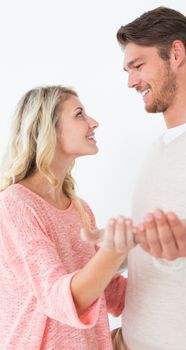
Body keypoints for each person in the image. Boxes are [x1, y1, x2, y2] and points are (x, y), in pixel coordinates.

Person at [114, 6, 186, 350]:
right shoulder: (158, 149)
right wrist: (111, 247)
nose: (130, 81)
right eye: (127, 70)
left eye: (138, 66)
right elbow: (150, 243)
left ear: (176, 54)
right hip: (129, 340)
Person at [0, 86, 137, 350]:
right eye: (79, 114)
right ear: (46, 129)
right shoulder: (15, 204)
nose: (93, 122)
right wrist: (114, 251)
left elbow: (110, 291)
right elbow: (61, 298)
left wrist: (167, 262)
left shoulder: (79, 209)